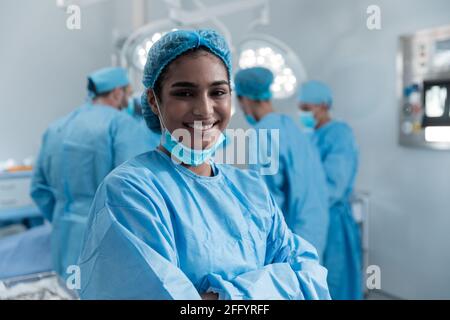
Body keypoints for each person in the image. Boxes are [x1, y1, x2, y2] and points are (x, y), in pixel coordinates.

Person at [77, 30, 330, 300]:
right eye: (185, 92)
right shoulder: (130, 192)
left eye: (218, 92)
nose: (205, 110)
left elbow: (311, 278)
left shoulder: (250, 189)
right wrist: (273, 287)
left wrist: (222, 296)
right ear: (154, 101)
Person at [30, 67, 154, 278]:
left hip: (63, 236)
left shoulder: (56, 127)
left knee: (66, 291)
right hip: (102, 237)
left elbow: (38, 188)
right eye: (127, 92)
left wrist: (64, 215)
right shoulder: (121, 124)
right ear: (117, 93)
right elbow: (132, 188)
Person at [234, 67, 329, 260]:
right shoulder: (291, 126)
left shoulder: (263, 133)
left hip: (292, 239)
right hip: (315, 230)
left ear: (244, 99)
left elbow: (265, 199)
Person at [298, 80, 362, 300]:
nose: (303, 114)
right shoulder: (309, 135)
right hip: (312, 220)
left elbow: (334, 184)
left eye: (307, 109)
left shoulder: (339, 134)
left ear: (324, 105)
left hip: (333, 221)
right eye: (301, 108)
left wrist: (301, 201)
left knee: (335, 283)